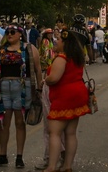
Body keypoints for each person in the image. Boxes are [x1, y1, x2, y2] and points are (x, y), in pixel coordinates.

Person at [0, 24, 40, 169]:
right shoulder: (0, 51)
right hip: (4, 88)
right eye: (7, 32)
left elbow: (37, 69)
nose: (9, 34)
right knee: (4, 123)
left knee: (20, 122)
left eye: (13, 32)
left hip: (22, 87)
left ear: (20, 34)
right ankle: (2, 155)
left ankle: (19, 156)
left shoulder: (29, 49)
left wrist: (38, 87)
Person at [43, 29, 91, 172]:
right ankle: (67, 166)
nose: (55, 42)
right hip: (78, 95)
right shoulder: (76, 57)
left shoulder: (61, 58)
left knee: (55, 133)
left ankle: (51, 166)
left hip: (64, 96)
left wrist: (45, 79)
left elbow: (54, 78)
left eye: (58, 40)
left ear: (65, 42)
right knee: (70, 133)